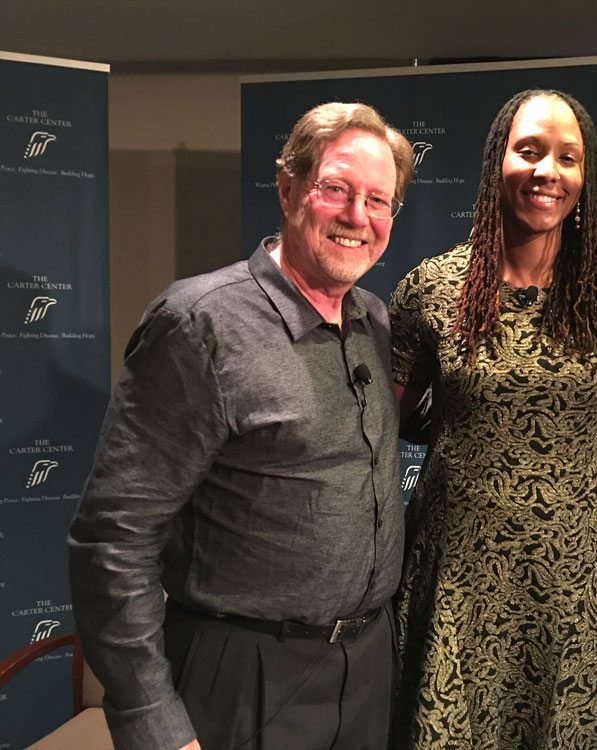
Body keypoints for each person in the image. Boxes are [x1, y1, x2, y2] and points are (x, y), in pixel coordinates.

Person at [67, 101, 414, 750]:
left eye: (378, 200)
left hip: (365, 672)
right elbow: (113, 540)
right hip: (242, 679)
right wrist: (155, 726)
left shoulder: (377, 322)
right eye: (335, 189)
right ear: (287, 188)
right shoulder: (200, 326)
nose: (357, 217)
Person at [389, 89, 597, 749]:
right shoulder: (431, 288)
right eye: (530, 151)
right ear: (498, 164)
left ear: (585, 179)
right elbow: (387, 422)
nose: (548, 172)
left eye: (567, 158)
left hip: (577, 582)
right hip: (458, 577)